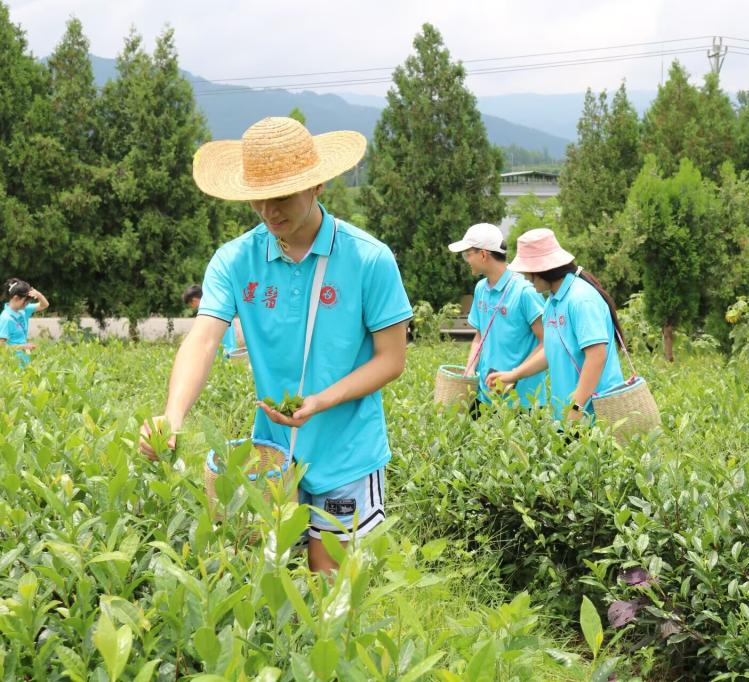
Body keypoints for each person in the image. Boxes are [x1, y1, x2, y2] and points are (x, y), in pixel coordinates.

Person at [139, 117, 412, 573]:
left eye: (282, 195)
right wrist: (173, 415)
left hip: (347, 449)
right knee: (265, 579)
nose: (269, 211)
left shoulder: (368, 258)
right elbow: (204, 339)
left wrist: (321, 400)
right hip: (272, 452)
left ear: (317, 184)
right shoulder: (235, 260)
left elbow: (392, 359)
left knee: (328, 585)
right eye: (257, 197)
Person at [488, 228, 623, 423]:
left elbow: (596, 356)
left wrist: (577, 406)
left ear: (541, 270)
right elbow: (551, 350)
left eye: (527, 272)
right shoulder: (552, 301)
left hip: (594, 414)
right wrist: (514, 375)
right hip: (567, 414)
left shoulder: (581, 299)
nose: (525, 278)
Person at [448, 222, 546, 410]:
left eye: (467, 254)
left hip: (522, 401)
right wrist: (470, 368)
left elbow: (547, 343)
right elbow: (480, 336)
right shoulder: (481, 289)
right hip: (484, 395)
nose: (466, 260)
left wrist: (515, 374)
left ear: (483, 254)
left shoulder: (525, 292)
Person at [183, 284, 244, 358]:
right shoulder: (216, 303)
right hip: (230, 349)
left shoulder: (205, 311)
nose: (192, 307)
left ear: (194, 300)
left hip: (219, 351)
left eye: (191, 304)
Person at [0, 278, 49, 365]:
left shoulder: (23, 309)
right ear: (16, 298)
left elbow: (44, 305)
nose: (27, 304)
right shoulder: (6, 318)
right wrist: (23, 346)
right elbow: (1, 347)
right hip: (12, 363)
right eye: (25, 302)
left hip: (24, 359)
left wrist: (39, 295)